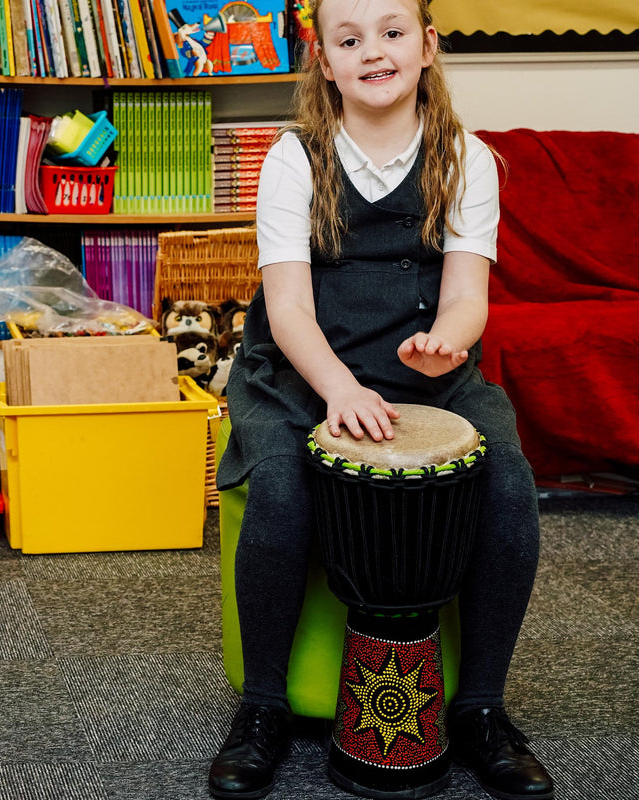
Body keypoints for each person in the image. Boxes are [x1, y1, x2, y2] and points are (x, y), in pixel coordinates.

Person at [209, 0, 556, 798]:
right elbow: (289, 308)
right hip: (300, 370)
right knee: (286, 489)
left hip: (427, 371)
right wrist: (336, 387)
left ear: (428, 46)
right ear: (324, 61)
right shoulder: (294, 158)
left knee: (507, 484)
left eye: (393, 32)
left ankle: (480, 709)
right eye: (351, 38)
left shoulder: (466, 156)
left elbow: (469, 294)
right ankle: (261, 707)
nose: (374, 51)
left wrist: (448, 344)